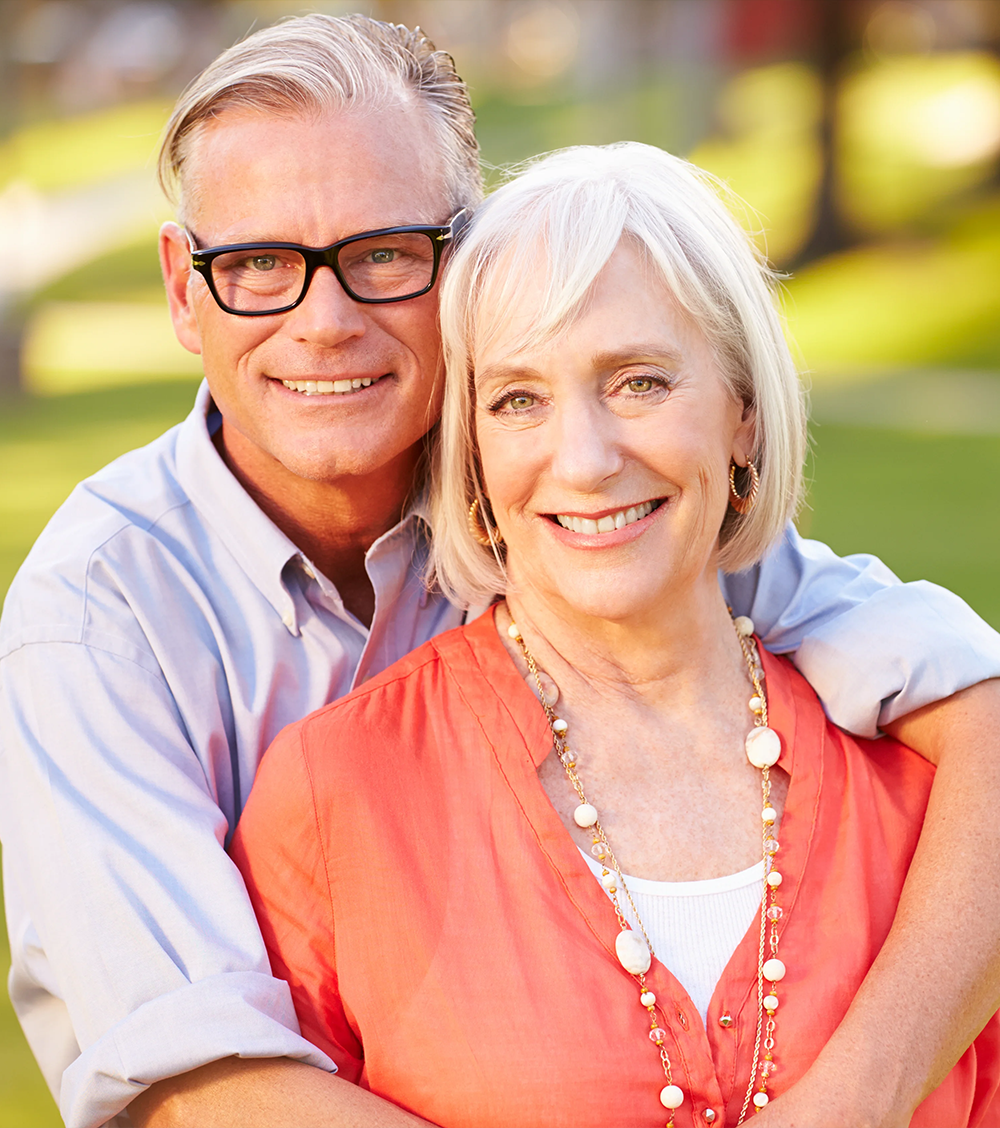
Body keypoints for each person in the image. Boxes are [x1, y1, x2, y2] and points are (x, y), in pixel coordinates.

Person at [0, 13, 997, 1128]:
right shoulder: (99, 615)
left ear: (466, 263)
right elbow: (200, 1082)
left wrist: (856, 1098)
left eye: (381, 254)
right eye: (261, 265)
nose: (323, 322)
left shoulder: (586, 513)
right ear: (187, 289)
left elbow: (974, 710)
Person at [230, 142, 1000, 1128]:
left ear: (744, 419)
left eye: (638, 381)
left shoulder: (927, 795)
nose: (585, 460)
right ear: (471, 450)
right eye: (518, 400)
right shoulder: (337, 798)